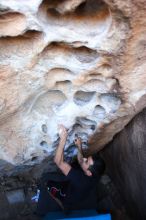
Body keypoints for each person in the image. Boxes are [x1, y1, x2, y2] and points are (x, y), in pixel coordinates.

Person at [36, 125, 105, 216]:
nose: (84, 159)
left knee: (49, 186)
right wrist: (79, 146)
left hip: (69, 195)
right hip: (79, 191)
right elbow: (81, 161)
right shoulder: (96, 174)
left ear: (89, 172)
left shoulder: (79, 179)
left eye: (87, 161)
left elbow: (58, 161)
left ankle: (63, 206)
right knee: (70, 184)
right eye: (87, 158)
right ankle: (67, 204)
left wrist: (63, 139)